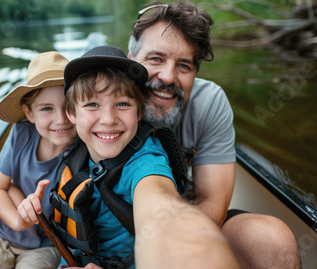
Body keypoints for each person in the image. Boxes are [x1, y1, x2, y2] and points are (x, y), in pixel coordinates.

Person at [18, 46, 240, 269]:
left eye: (122, 104)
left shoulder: (146, 163)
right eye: (92, 104)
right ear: (72, 114)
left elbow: (161, 208)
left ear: (139, 112)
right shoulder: (76, 142)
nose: (108, 119)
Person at [128, 0, 301, 269]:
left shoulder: (209, 102)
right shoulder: (99, 105)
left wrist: (175, 249)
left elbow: (212, 203)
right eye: (155, 59)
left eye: (184, 65)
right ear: (130, 63)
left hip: (190, 221)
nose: (169, 76)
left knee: (271, 240)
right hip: (117, 238)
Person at [0, 52, 77, 269]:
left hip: (46, 245)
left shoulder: (83, 151)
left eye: (68, 107)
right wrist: (17, 221)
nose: (61, 119)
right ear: (29, 113)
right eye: (47, 108)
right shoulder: (21, 133)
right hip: (3, 237)